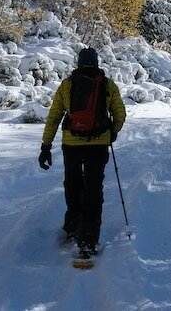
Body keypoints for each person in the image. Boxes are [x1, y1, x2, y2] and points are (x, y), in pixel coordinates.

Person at [38, 47, 126, 256]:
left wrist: (46, 146)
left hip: (72, 145)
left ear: (78, 63)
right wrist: (111, 133)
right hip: (98, 144)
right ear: (96, 63)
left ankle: (72, 228)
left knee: (73, 184)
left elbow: (54, 117)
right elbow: (120, 114)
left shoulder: (68, 85)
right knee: (93, 189)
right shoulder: (107, 84)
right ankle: (88, 241)